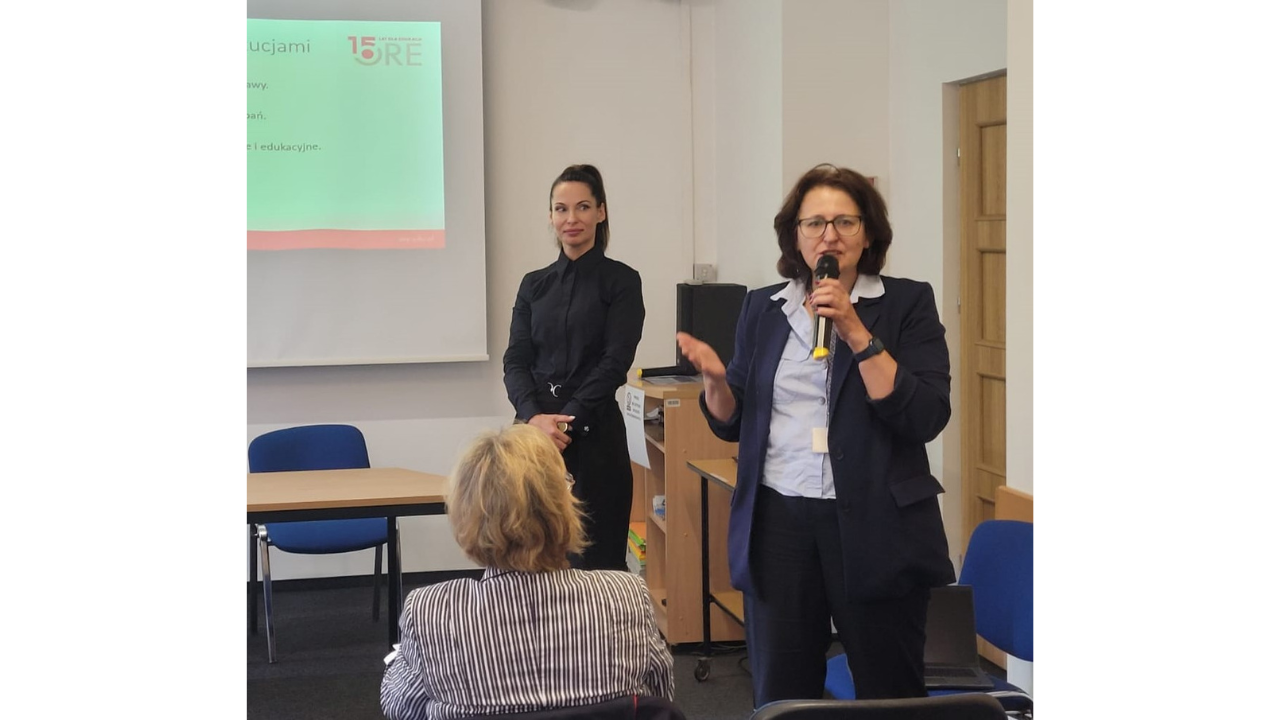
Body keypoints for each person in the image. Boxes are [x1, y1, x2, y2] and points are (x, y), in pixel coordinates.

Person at [675, 163, 954, 706]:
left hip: (877, 523)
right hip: (780, 521)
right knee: (782, 695)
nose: (829, 235)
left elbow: (925, 415)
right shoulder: (763, 307)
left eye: (845, 222)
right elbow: (732, 421)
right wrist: (714, 381)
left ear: (868, 234)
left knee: (890, 693)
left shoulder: (907, 303)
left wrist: (854, 329)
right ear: (795, 236)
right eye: (815, 223)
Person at [380, 424, 675, 720]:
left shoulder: (429, 613)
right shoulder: (626, 596)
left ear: (464, 513)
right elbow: (660, 697)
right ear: (564, 506)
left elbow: (400, 709)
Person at [503, 163, 645, 571]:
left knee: (597, 562)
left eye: (582, 207)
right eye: (561, 209)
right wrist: (534, 418)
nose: (571, 218)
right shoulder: (533, 284)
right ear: (550, 216)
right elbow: (516, 359)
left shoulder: (622, 281)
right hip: (532, 438)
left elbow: (615, 362)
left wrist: (564, 423)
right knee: (529, 559)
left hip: (595, 436)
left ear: (601, 212)